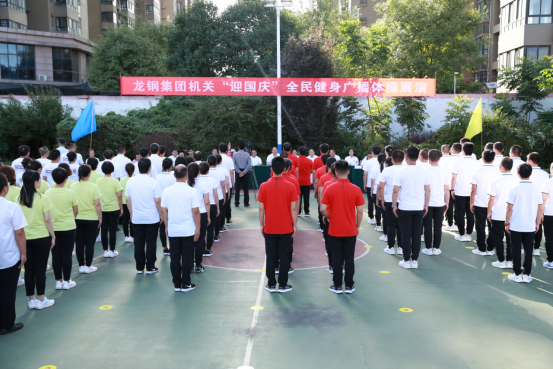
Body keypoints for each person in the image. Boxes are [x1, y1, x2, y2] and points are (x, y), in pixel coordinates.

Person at [321, 160, 364, 294]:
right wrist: (357, 225)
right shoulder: (356, 189)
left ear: (336, 173)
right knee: (349, 257)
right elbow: (360, 211)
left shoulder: (329, 188)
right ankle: (349, 285)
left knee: (337, 257)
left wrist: (330, 217)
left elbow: (322, 208)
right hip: (350, 229)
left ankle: (337, 285)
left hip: (334, 229)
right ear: (348, 172)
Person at [17, 171, 56, 309]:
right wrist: (53, 235)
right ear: (35, 182)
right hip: (42, 237)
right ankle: (41, 299)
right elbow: (47, 219)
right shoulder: (43, 198)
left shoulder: (18, 199)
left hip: (25, 239)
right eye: (39, 180)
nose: (40, 182)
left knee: (28, 269)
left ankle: (31, 299)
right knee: (40, 269)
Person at [259, 157, 298, 293]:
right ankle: (282, 284)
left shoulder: (264, 186)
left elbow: (261, 208)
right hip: (286, 227)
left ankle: (270, 283)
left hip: (269, 227)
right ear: (285, 169)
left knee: (270, 256)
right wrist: (295, 225)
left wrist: (262, 224)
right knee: (284, 256)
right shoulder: (290, 186)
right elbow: (294, 208)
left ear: (271, 169)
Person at [161, 165, 201, 292]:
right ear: (187, 175)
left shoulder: (167, 191)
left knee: (174, 257)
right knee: (187, 256)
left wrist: (166, 225)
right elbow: (195, 212)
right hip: (188, 230)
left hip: (173, 230)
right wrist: (198, 228)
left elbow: (163, 210)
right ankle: (186, 283)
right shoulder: (191, 191)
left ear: (174, 175)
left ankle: (176, 284)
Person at [392, 147, 430, 269]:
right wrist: (426, 205)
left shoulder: (401, 172)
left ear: (406, 157)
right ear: (418, 156)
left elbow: (395, 190)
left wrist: (394, 205)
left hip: (404, 207)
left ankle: (406, 260)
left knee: (405, 234)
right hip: (418, 207)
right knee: (416, 234)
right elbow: (427, 190)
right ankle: (414, 260)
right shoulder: (424, 171)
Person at [505, 163, 544, 283]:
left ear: (517, 174)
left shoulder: (514, 188)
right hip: (530, 225)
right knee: (528, 250)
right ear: (531, 174)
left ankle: (517, 273)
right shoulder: (537, 189)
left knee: (515, 249)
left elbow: (509, 208)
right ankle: (527, 274)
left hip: (516, 225)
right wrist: (537, 223)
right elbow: (540, 208)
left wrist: (507, 223)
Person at [0, 172, 27, 335]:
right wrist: (23, 253)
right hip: (8, 257)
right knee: (8, 292)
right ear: (5, 189)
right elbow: (19, 233)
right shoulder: (11, 207)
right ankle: (7, 324)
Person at [126, 158, 162, 275]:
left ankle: (139, 267)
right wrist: (161, 214)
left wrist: (131, 212)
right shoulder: (153, 182)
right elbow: (157, 201)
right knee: (151, 242)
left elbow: (127, 198)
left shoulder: (130, 181)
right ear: (149, 169)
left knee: (138, 242)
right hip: (151, 217)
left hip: (137, 217)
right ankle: (150, 266)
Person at [45, 168, 78, 290]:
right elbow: (76, 210)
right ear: (66, 179)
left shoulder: (47, 193)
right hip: (68, 227)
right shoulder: (71, 193)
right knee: (67, 254)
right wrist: (70, 219)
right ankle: (67, 280)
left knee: (56, 254)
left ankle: (58, 281)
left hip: (53, 228)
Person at [71, 165, 102, 274]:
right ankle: (88, 265)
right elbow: (97, 204)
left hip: (77, 218)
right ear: (89, 174)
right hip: (91, 218)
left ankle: (81, 266)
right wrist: (100, 217)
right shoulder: (93, 187)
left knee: (79, 242)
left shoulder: (72, 186)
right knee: (90, 243)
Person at [488, 158, 518, 269]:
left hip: (498, 213)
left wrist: (488, 212)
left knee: (498, 238)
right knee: (510, 239)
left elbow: (491, 199)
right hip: (512, 216)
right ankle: (509, 261)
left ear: (501, 167)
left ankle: (501, 260)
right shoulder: (516, 181)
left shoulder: (496, 181)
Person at [469, 150, 500, 256]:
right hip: (494, 204)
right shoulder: (498, 172)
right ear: (493, 159)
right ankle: (491, 248)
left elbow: (473, 189)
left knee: (480, 226)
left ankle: (481, 248)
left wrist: (471, 202)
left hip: (480, 202)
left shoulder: (478, 171)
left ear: (482, 159)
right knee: (492, 227)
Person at [421, 150, 449, 255]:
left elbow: (422, 188)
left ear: (428, 159)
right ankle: (436, 248)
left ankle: (428, 248)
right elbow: (447, 189)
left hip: (427, 203)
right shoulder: (444, 171)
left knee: (427, 226)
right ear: (439, 159)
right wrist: (447, 202)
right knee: (438, 226)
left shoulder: (424, 171)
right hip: (440, 202)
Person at [451, 142, 478, 242]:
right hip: (473, 192)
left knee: (460, 214)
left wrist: (452, 189)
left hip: (460, 191)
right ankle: (469, 234)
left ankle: (461, 234)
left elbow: (454, 178)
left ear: (463, 151)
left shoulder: (458, 162)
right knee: (471, 213)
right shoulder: (477, 163)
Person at [187, 163, 210, 273]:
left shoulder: (185, 184)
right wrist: (209, 216)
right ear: (198, 172)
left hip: (189, 214)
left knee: (190, 240)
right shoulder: (203, 184)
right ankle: (199, 265)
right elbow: (207, 202)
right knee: (200, 240)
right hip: (202, 213)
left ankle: (190, 264)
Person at [97, 162, 123, 258]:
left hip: (102, 208)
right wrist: (121, 208)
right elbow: (119, 196)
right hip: (114, 208)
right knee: (112, 230)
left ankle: (105, 250)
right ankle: (112, 250)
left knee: (103, 229)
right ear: (112, 170)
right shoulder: (115, 181)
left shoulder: (98, 181)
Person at [527, 152, 549, 255]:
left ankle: (528, 247)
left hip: (528, 202)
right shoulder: (545, 174)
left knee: (528, 226)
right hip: (541, 203)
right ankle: (536, 248)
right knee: (538, 225)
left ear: (530, 161)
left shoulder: (528, 172)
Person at [197, 162, 220, 256]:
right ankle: (208, 248)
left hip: (200, 208)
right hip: (212, 205)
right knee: (210, 228)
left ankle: (202, 248)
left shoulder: (196, 180)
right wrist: (218, 208)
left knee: (201, 229)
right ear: (208, 170)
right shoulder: (212, 180)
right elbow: (215, 195)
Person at [156, 158, 176, 255]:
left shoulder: (157, 177)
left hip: (160, 204)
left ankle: (165, 247)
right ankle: (172, 246)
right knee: (171, 226)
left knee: (162, 227)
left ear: (162, 166)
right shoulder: (173, 176)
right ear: (171, 166)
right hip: (172, 204)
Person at [207, 155, 227, 243]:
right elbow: (223, 185)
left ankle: (208, 234)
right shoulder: (220, 172)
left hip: (207, 197)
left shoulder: (205, 171)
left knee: (207, 215)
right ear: (216, 162)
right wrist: (225, 195)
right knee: (218, 215)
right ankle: (216, 235)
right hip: (218, 196)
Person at [376, 157, 393, 243]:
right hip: (400, 200)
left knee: (386, 218)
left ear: (386, 164)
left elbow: (380, 187)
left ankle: (386, 235)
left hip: (387, 198)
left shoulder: (384, 172)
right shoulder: (401, 170)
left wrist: (379, 199)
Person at [363, 146, 381, 224]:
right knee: (379, 201)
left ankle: (371, 218)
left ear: (372, 152)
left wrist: (365, 183)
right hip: (380, 184)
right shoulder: (382, 160)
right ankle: (378, 220)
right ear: (380, 153)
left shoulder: (368, 161)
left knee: (370, 201)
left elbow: (365, 174)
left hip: (370, 184)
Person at [541, 162, 553, 269]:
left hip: (549, 212)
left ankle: (551, 260)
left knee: (549, 238)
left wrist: (540, 213)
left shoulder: (548, 182)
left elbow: (544, 199)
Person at [370, 154, 386, 232]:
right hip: (384, 191)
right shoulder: (387, 169)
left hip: (376, 190)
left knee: (377, 208)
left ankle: (378, 225)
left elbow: (372, 181)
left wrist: (372, 190)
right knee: (384, 210)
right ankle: (384, 225)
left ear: (378, 160)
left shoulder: (374, 169)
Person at [219, 143, 235, 225]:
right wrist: (233, 182)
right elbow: (232, 172)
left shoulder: (215, 158)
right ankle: (228, 219)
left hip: (217, 185)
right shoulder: (229, 159)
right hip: (227, 184)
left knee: (218, 203)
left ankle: (219, 223)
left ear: (219, 150)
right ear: (226, 150)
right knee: (227, 203)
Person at [233, 141, 251, 207]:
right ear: (244, 147)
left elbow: (234, 164)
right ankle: (246, 203)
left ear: (238, 147)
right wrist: (244, 172)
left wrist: (239, 172)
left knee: (237, 187)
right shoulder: (247, 154)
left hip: (238, 172)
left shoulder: (235, 154)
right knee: (246, 188)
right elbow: (249, 164)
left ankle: (236, 203)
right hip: (245, 172)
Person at [297, 146, 313, 217]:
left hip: (298, 182)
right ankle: (306, 212)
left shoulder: (296, 160)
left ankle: (298, 212)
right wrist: (307, 173)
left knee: (298, 197)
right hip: (306, 181)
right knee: (306, 197)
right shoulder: (309, 161)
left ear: (299, 153)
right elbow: (312, 170)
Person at [121, 163, 135, 243]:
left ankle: (126, 236)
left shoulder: (122, 180)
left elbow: (121, 191)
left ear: (125, 170)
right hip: (133, 202)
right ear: (134, 170)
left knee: (125, 219)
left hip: (124, 201)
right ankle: (132, 236)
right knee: (132, 218)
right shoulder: (135, 179)